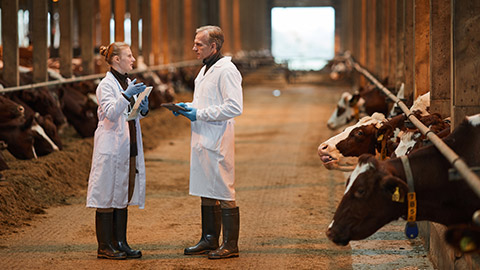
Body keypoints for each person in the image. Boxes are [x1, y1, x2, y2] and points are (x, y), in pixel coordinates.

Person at [173, 25, 243, 259]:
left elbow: (234, 107)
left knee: (224, 190)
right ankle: (209, 239)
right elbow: (203, 102)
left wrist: (199, 114)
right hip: (203, 137)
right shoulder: (203, 71)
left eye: (199, 44)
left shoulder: (227, 70)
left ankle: (230, 245)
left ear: (213, 46)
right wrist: (187, 107)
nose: (194, 48)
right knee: (206, 188)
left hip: (218, 137)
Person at [86, 42, 149, 260]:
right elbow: (112, 113)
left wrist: (142, 106)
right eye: (129, 56)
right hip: (111, 146)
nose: (133, 59)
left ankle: (121, 242)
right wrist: (126, 95)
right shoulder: (106, 85)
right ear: (116, 60)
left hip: (127, 145)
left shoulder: (127, 81)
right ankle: (105, 246)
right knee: (106, 194)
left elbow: (128, 114)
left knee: (123, 192)